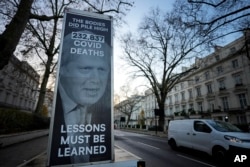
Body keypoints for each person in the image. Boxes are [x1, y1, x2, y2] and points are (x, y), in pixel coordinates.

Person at [49, 31, 112, 166]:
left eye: (101, 69)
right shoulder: (55, 106)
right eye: (85, 68)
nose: (96, 80)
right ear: (63, 69)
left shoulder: (106, 114)